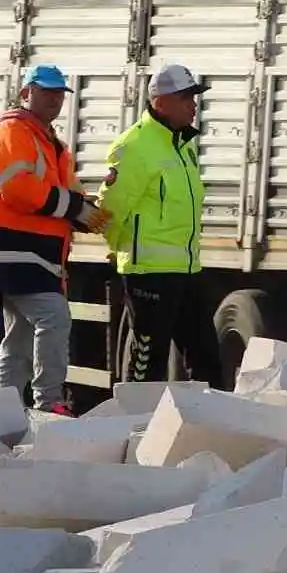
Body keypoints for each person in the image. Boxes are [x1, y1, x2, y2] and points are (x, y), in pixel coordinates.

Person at [0, 63, 109, 416]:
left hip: (32, 257)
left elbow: (68, 193)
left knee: (17, 339)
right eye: (46, 91)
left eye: (59, 93)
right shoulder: (11, 132)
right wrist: (76, 208)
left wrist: (90, 209)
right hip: (12, 253)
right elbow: (18, 189)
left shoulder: (51, 144)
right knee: (54, 318)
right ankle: (48, 404)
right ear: (25, 93)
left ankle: (2, 411)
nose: (55, 99)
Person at [97, 63, 214, 384]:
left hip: (187, 270)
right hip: (149, 274)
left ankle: (207, 430)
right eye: (186, 97)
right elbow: (109, 210)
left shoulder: (183, 145)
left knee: (207, 361)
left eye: (195, 97)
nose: (194, 105)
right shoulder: (133, 146)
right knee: (148, 366)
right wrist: (123, 253)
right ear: (160, 101)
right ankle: (138, 428)